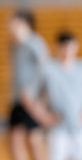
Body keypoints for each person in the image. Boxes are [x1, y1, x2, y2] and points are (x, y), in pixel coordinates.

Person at [23, 31, 82, 160]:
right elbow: (27, 94)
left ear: (76, 47)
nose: (67, 51)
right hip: (58, 130)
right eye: (64, 47)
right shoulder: (48, 69)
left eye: (70, 47)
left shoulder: (80, 68)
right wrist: (43, 116)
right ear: (58, 47)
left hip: (79, 130)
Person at [8, 9, 49, 160]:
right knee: (14, 138)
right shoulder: (15, 45)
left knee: (33, 139)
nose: (9, 25)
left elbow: (45, 69)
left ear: (24, 23)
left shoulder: (35, 42)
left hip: (31, 99)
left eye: (12, 22)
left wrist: (39, 99)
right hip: (17, 98)